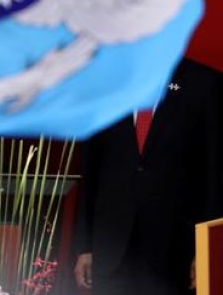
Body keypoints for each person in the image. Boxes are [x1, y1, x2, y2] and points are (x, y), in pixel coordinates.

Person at [73, 57, 223, 294]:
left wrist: (207, 251)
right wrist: (84, 245)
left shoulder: (204, 83)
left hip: (175, 253)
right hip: (109, 247)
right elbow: (92, 169)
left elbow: (216, 176)